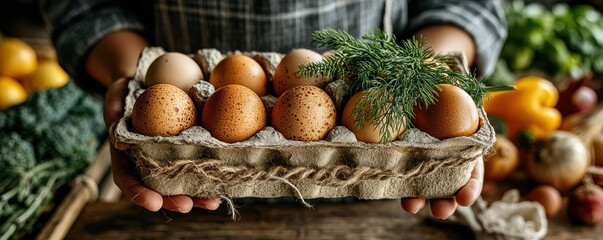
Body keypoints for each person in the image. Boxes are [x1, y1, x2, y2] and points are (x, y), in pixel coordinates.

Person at [41, 0, 507, 219]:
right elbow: (80, 6)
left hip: (373, 190)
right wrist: (133, 79)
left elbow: (469, 5)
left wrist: (421, 74)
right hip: (188, 192)